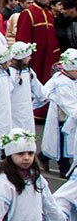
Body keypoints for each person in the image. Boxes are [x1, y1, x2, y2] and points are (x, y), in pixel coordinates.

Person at [15, 0, 60, 87]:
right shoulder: (28, 13)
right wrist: (24, 57)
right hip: (35, 57)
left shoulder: (48, 13)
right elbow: (22, 37)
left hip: (47, 56)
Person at [41, 48, 77, 176]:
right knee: (62, 139)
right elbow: (68, 103)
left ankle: (44, 156)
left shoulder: (70, 78)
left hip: (71, 114)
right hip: (62, 116)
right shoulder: (61, 82)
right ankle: (64, 166)